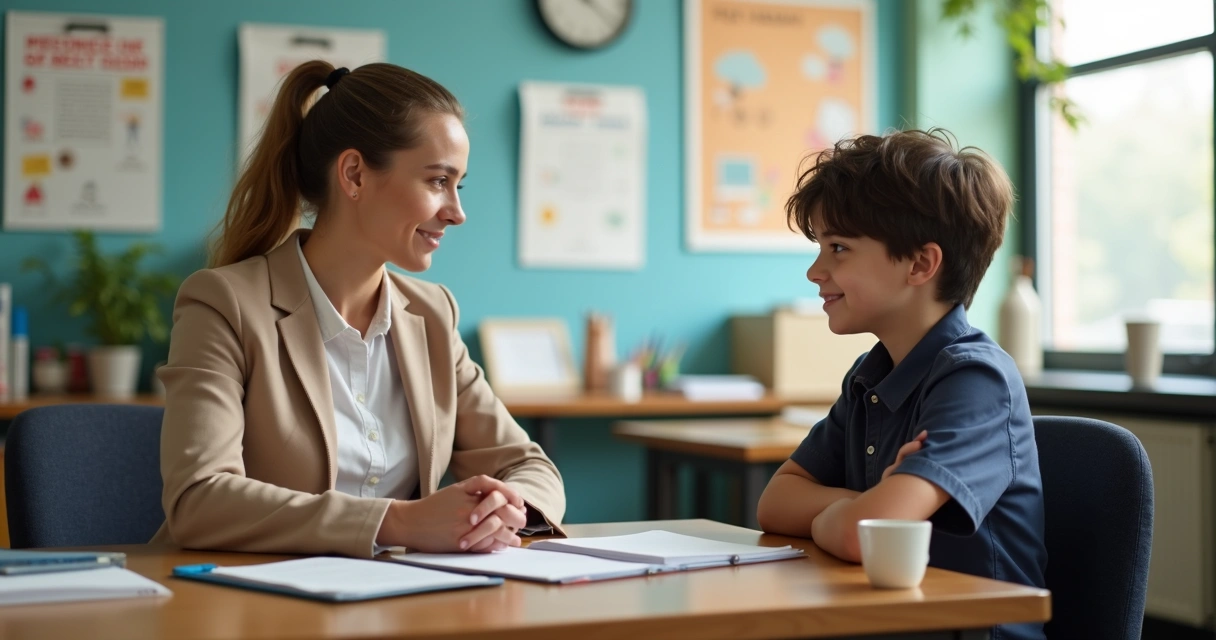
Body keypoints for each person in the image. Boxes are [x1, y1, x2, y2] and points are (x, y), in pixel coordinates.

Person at [151, 61, 565, 559]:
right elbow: (199, 499)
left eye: (459, 186)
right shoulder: (223, 304)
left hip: (402, 594)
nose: (457, 212)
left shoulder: (432, 314)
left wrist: (506, 509)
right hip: (247, 596)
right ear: (354, 174)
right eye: (438, 180)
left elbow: (529, 465)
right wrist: (400, 522)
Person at [756, 129, 1046, 640]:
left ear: (920, 264)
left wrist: (843, 516)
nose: (815, 271)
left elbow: (861, 537)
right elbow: (775, 502)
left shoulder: (976, 379)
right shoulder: (870, 375)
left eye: (838, 248)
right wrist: (860, 507)